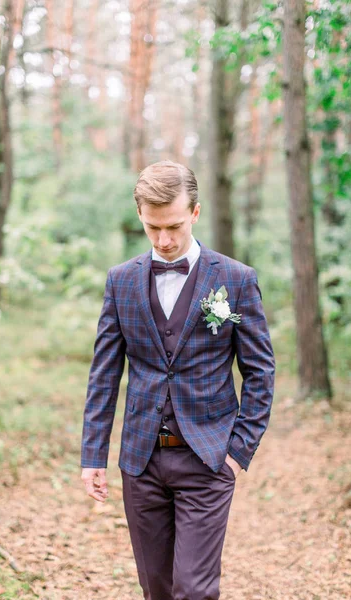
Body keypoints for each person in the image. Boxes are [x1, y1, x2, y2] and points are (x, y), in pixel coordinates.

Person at [81, 160, 275, 600]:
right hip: (141, 460)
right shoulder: (121, 281)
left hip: (208, 459)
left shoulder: (236, 279)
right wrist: (93, 454)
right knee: (158, 588)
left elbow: (260, 371)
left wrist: (238, 451)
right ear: (140, 218)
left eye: (173, 226)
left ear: (195, 213)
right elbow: (104, 374)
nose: (164, 240)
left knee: (194, 590)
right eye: (153, 228)